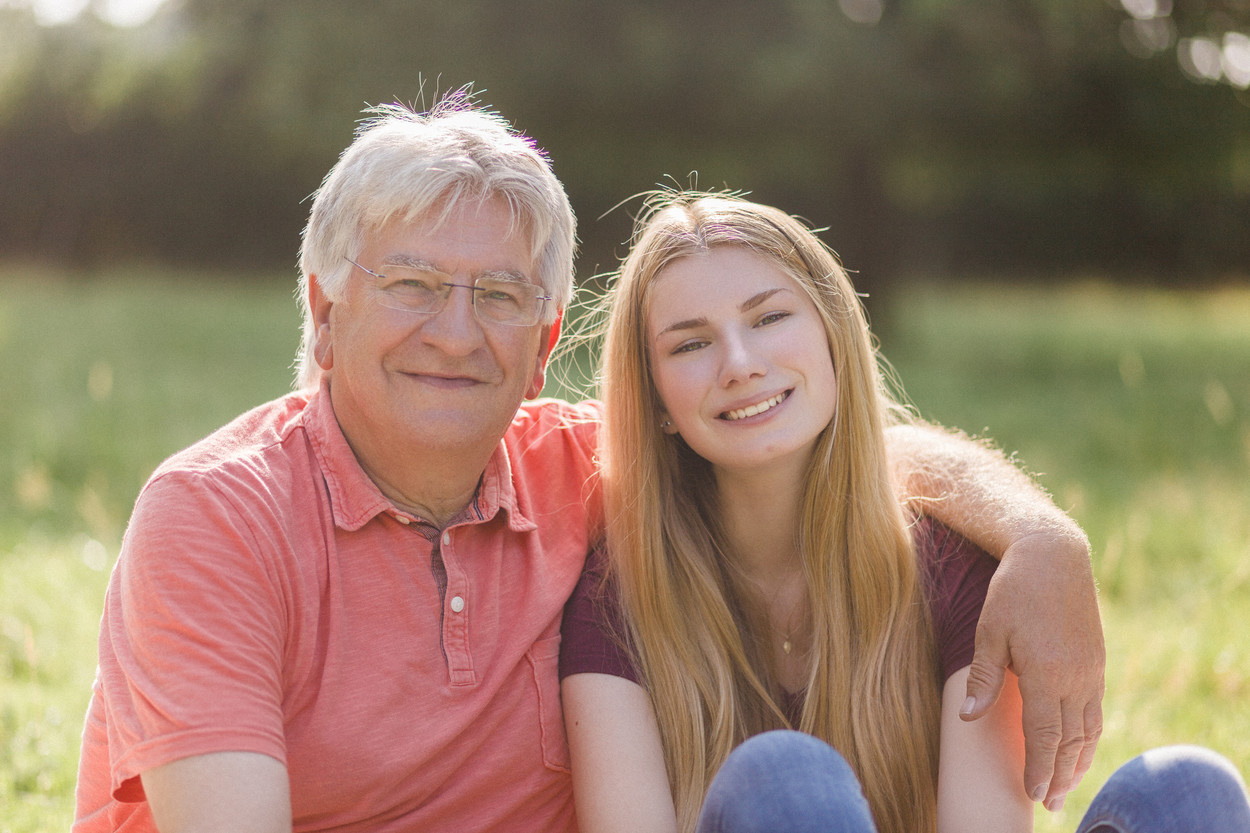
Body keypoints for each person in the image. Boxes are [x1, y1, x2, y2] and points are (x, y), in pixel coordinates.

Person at [74, 94, 1101, 833]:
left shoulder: (578, 469)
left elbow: (804, 437)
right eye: (413, 282)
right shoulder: (215, 517)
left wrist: (1037, 533)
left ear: (546, 335)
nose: (455, 330)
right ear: (322, 307)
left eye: (500, 295)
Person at [559, 191, 1250, 833]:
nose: (739, 363)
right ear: (655, 402)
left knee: (1192, 789)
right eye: (690, 343)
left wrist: (1043, 533)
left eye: (769, 317)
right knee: (784, 779)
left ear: (834, 337)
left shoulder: (951, 565)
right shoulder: (616, 597)